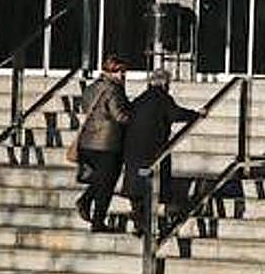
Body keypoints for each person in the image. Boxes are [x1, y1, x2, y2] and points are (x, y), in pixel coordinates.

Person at [122, 68, 204, 235]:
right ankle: (145, 221)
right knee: (153, 186)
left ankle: (139, 219)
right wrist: (196, 115)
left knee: (137, 186)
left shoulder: (140, 99)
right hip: (154, 150)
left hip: (133, 149)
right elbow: (176, 114)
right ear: (166, 83)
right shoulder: (163, 98)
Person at [75, 56, 132, 233]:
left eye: (124, 72)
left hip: (87, 142)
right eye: (120, 71)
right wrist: (136, 119)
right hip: (107, 144)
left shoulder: (92, 87)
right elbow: (119, 116)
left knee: (101, 179)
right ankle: (97, 220)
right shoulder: (114, 89)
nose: (123, 75)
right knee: (107, 184)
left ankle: (86, 201)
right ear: (112, 72)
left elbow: (85, 108)